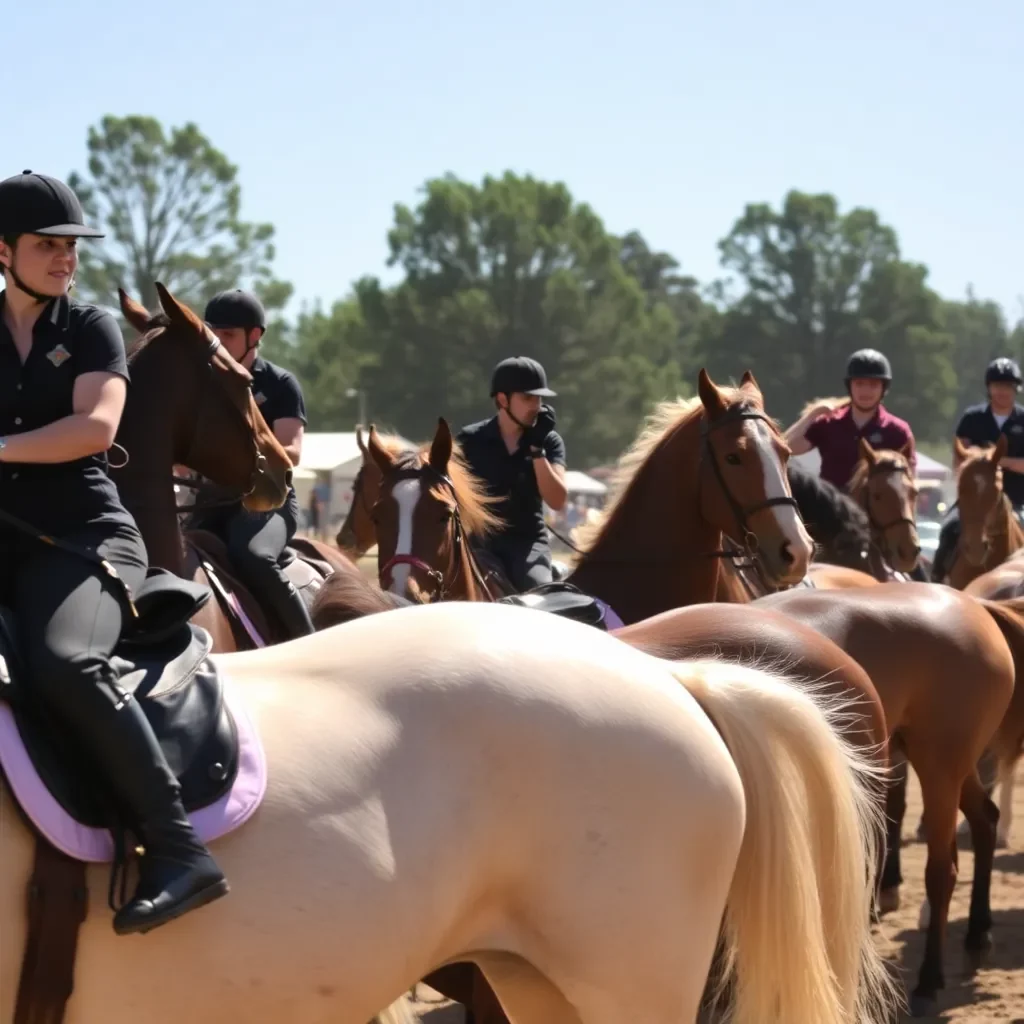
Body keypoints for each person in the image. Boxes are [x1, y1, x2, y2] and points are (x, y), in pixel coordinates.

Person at [0, 170, 227, 935]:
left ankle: (178, 846)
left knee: (68, 662)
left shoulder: (91, 328)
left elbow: (95, 429)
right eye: (47, 246)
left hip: (84, 539)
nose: (66, 258)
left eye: (70, 246)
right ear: (3, 252)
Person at [191, 289, 315, 637]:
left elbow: (291, 451)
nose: (217, 342)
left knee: (254, 557)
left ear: (255, 336)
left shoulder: (280, 384)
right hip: (211, 499)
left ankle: (307, 642)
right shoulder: (201, 382)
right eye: (212, 333)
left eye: (227, 335)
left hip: (268, 501)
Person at [456, 356, 568, 592]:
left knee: (541, 600)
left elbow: (557, 501)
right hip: (479, 545)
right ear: (502, 399)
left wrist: (537, 451)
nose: (536, 405)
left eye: (539, 398)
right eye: (527, 397)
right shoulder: (469, 441)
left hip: (527, 545)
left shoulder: (550, 440)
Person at [930, 357, 1024, 582]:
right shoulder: (972, 418)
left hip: (1018, 499)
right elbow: (960, 457)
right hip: (973, 498)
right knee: (949, 527)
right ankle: (937, 577)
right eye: (997, 385)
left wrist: (995, 462)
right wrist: (984, 464)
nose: (1002, 391)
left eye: (1007, 386)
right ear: (989, 388)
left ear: (1015, 389)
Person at [785, 348, 917, 490]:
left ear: (883, 388)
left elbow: (909, 481)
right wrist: (812, 414)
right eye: (859, 383)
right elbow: (786, 449)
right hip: (830, 509)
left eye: (873, 385)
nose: (865, 391)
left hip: (873, 511)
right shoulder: (828, 423)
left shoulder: (898, 431)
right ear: (849, 386)